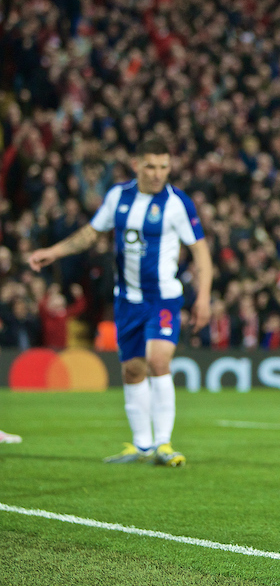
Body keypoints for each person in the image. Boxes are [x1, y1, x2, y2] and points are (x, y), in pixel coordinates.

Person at [28, 138, 212, 465]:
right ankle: (142, 446)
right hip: (127, 300)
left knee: (158, 361)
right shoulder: (119, 197)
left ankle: (164, 444)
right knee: (132, 370)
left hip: (163, 299)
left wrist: (204, 297)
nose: (158, 174)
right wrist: (53, 252)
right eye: (152, 166)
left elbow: (200, 251)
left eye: (164, 167)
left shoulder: (177, 203)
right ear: (137, 164)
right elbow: (90, 233)